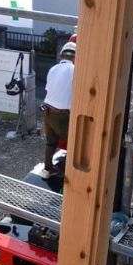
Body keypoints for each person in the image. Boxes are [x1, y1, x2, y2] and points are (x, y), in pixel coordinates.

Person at [41, 42, 75, 175]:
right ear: (75, 56)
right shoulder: (74, 69)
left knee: (51, 142)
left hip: (46, 111)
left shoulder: (53, 68)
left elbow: (49, 89)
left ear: (62, 55)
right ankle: (68, 174)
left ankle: (48, 169)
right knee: (73, 144)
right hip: (61, 114)